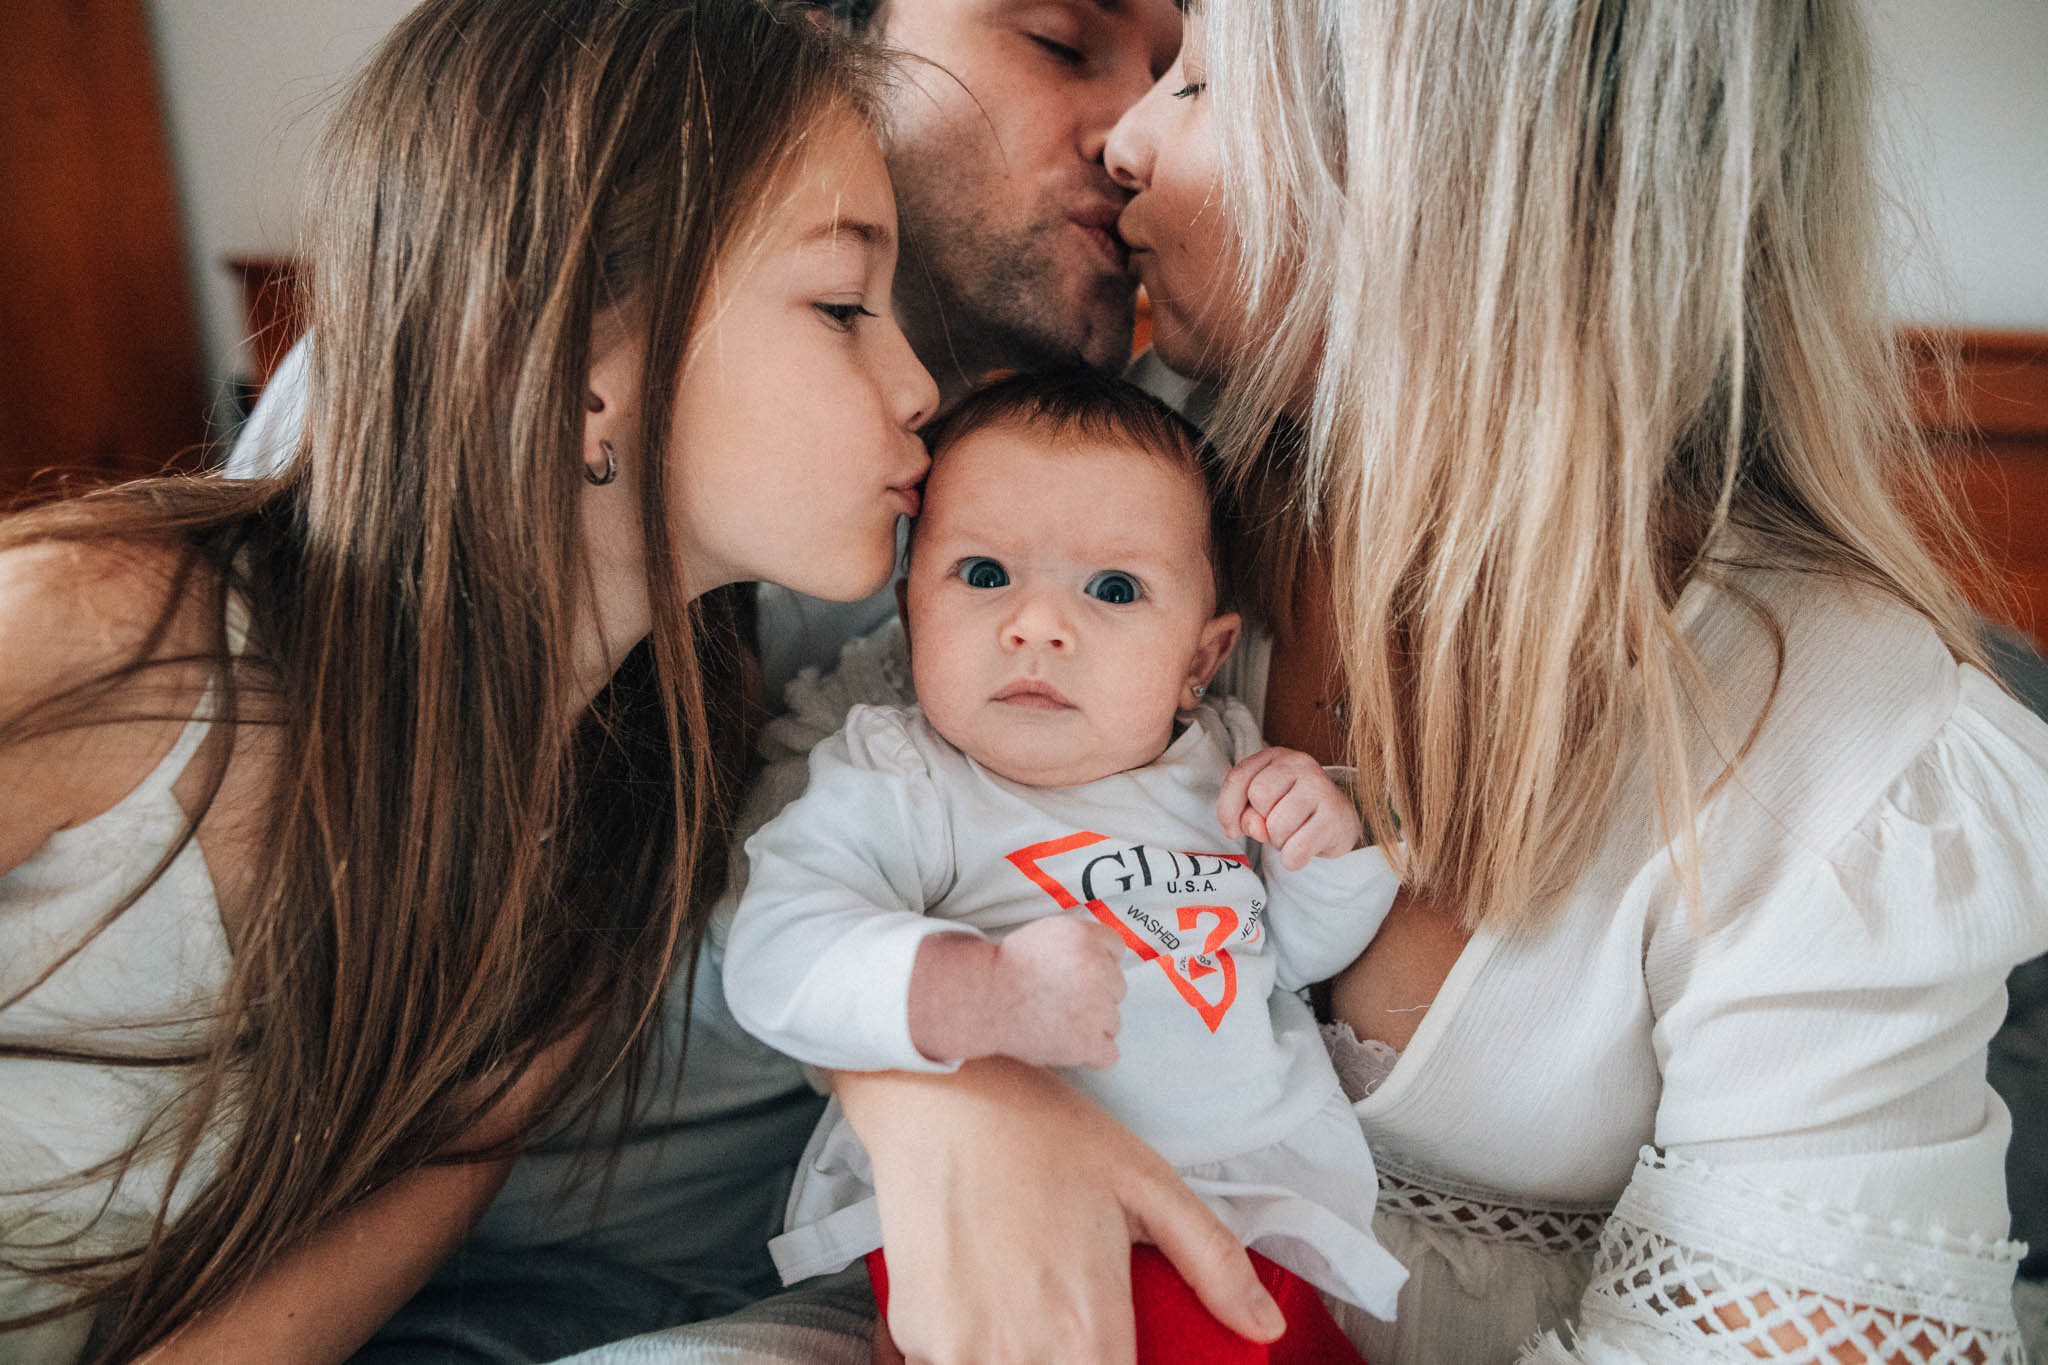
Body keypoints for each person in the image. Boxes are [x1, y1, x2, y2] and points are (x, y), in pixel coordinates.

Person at [804, 1, 2048, 1362]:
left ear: (1442, 175)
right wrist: (930, 1085)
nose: (1130, 143)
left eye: (1204, 85)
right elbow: (840, 814)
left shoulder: (1838, 742)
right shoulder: (1137, 504)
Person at [0, 0, 938, 1360]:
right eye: (844, 304)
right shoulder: (109, 634)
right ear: (572, 365)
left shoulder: (605, 861)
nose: (916, 383)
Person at [721, 371, 1404, 1361]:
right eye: (984, 574)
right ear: (909, 612)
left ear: (1197, 662)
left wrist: (1322, 851)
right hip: (1008, 1214)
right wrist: (976, 991)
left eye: (1113, 589)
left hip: (1250, 1208)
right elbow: (775, 952)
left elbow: (1289, 959)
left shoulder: (1217, 766)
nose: (1037, 625)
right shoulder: (905, 777)